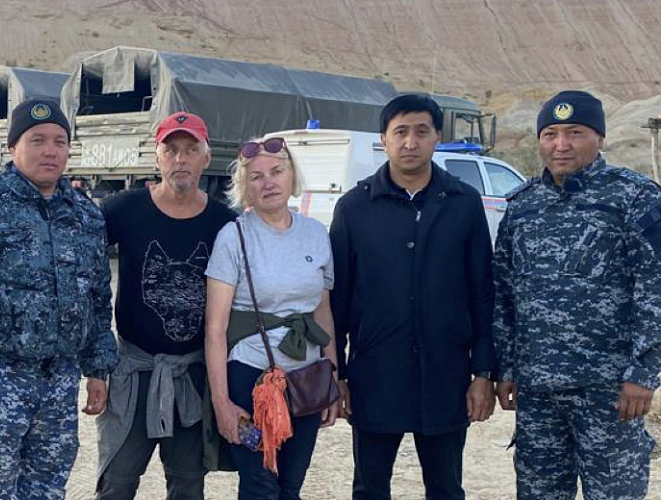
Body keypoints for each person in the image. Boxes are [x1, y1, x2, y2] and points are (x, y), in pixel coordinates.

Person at [0, 98, 119, 500]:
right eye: (37, 140)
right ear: (12, 147)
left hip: (59, 382)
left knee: (47, 489)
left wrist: (98, 368)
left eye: (59, 141)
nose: (50, 151)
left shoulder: (85, 215)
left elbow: (97, 296)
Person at [493, 90, 661, 500]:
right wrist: (506, 366)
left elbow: (654, 287)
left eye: (575, 133)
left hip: (610, 391)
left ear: (600, 137)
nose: (561, 145)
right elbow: (504, 293)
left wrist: (643, 374)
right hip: (538, 392)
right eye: (550, 134)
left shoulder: (635, 197)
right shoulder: (522, 206)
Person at [330, 94, 496, 500]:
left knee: (446, 488)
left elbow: (482, 294)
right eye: (400, 132)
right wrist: (337, 376)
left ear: (437, 136)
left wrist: (483, 373)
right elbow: (337, 302)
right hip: (375, 376)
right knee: (370, 489)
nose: (410, 142)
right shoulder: (354, 208)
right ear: (383, 140)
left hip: (445, 376)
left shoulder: (464, 203)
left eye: (422, 131)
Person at [95, 112, 236, 500]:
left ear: (207, 157)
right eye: (170, 150)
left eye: (190, 149)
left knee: (188, 485)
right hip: (134, 371)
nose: (180, 159)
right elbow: (78, 263)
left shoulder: (225, 223)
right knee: (117, 482)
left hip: (193, 373)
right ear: (156, 157)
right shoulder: (122, 209)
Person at [204, 136, 341, 499]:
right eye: (257, 176)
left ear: (291, 175)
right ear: (245, 187)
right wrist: (221, 402)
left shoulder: (315, 234)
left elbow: (322, 311)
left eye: (277, 171)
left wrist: (332, 377)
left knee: (290, 487)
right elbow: (215, 329)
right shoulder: (233, 237)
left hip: (307, 377)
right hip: (251, 378)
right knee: (260, 486)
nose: (268, 182)